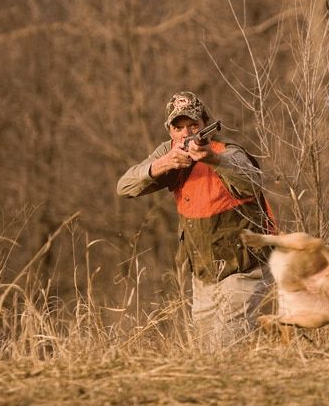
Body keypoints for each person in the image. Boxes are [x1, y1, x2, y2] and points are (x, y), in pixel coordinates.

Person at [117, 91, 275, 346]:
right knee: (205, 349)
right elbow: (124, 187)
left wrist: (213, 160)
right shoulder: (168, 153)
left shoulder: (227, 152)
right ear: (170, 131)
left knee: (226, 346)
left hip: (244, 267)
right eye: (178, 127)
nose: (186, 132)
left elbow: (254, 182)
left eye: (193, 125)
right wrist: (162, 165)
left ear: (206, 126)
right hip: (204, 273)